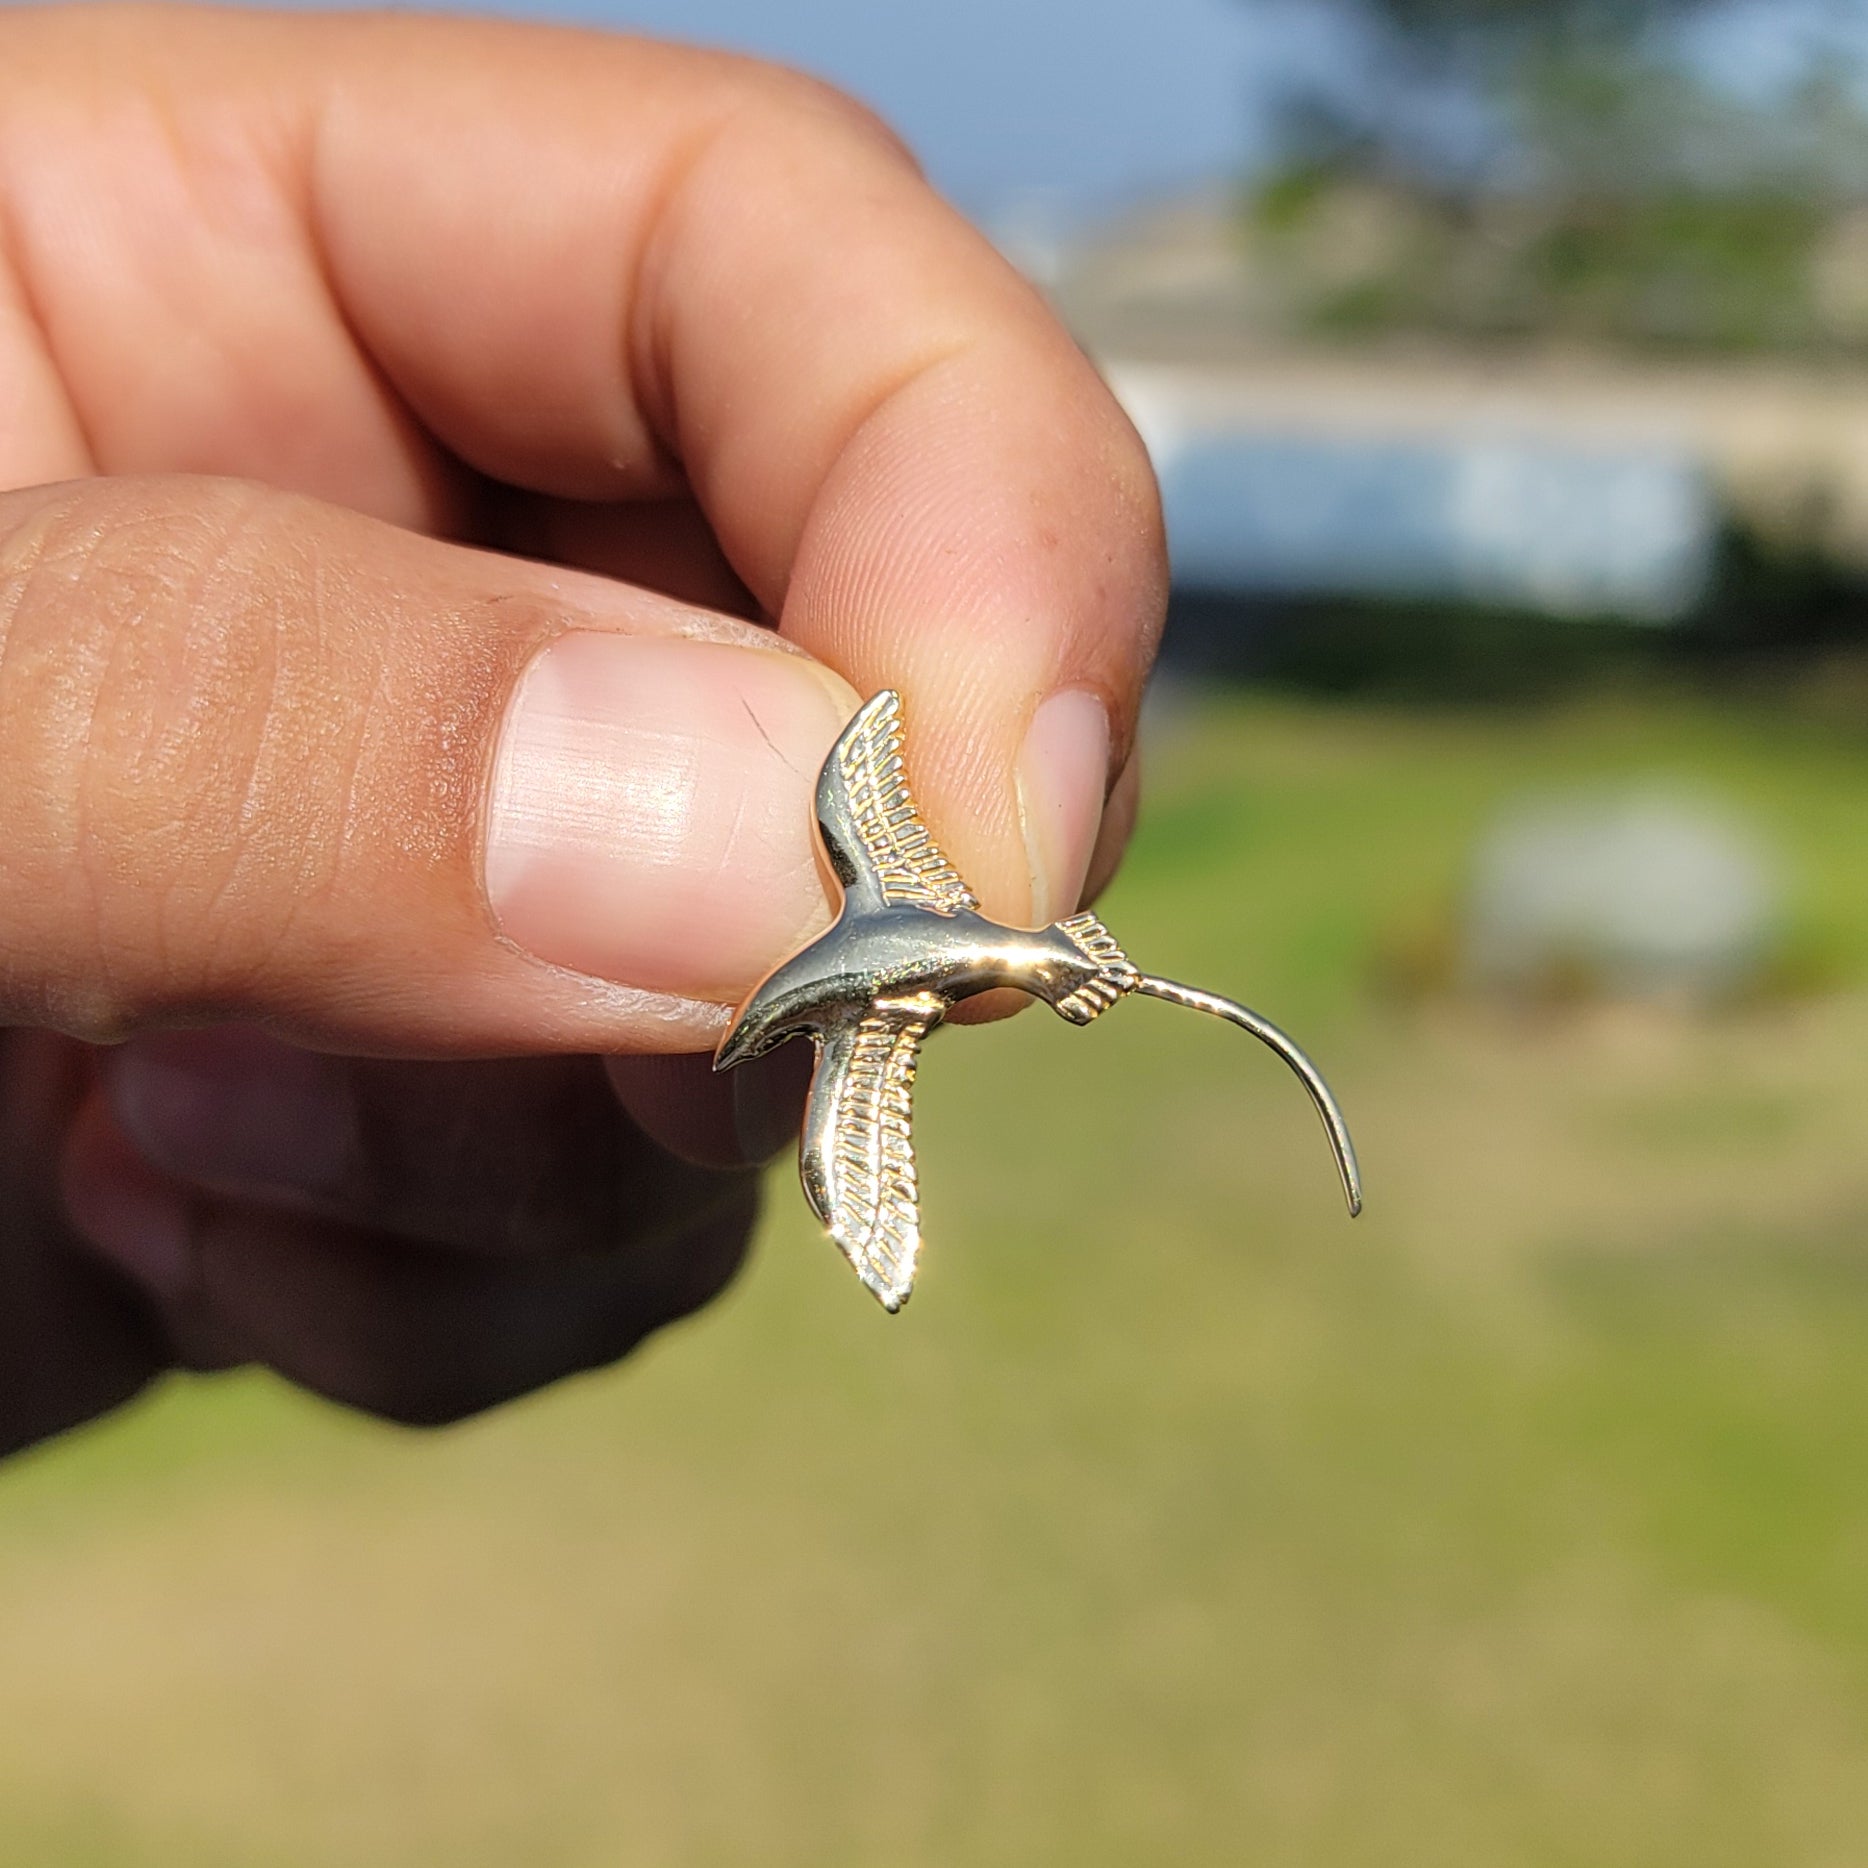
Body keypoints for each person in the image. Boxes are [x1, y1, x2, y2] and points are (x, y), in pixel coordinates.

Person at [0, 5, 1166, 1453]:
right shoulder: (869, 965)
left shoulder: (869, 884)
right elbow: (862, 766)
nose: (780, 1010)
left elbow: (864, 760)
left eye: (788, 1008)